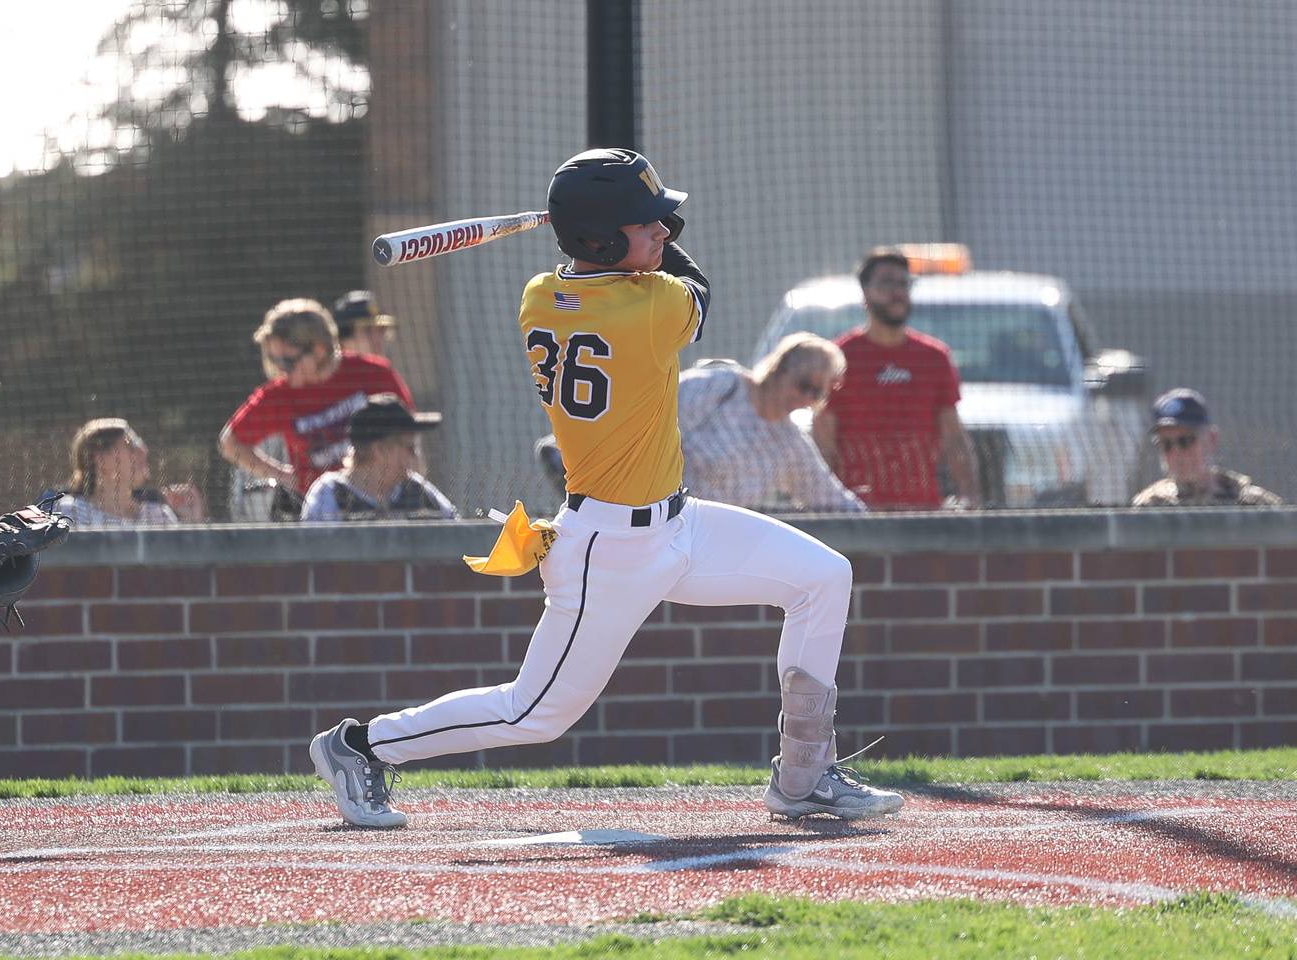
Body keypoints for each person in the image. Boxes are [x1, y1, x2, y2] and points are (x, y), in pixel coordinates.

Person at [308, 147, 903, 829]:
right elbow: (694, 281)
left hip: (682, 525)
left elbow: (633, 266)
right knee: (533, 714)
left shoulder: (540, 297)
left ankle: (805, 775)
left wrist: (622, 221)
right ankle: (361, 746)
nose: (663, 233)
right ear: (598, 238)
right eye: (646, 224)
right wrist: (636, 233)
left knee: (824, 577)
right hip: (608, 549)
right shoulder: (649, 309)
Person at [535, 334, 866, 513]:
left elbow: (827, 496)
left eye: (818, 393)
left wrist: (884, 525)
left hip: (711, 547)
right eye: (804, 384)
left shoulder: (790, 441)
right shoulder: (721, 388)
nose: (806, 397)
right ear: (778, 368)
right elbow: (640, 415)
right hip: (649, 517)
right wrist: (575, 452)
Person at [813, 247, 980, 510]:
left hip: (922, 515)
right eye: (886, 283)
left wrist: (970, 496)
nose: (897, 292)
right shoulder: (839, 358)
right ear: (865, 293)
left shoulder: (933, 357)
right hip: (858, 514)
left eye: (904, 283)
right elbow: (823, 442)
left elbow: (953, 437)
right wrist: (829, 505)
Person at [219, 298, 414, 514]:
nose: (281, 370)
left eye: (288, 361)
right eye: (274, 361)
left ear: (320, 350)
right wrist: (284, 476)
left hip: (382, 502)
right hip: (320, 511)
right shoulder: (279, 395)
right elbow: (231, 443)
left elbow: (410, 433)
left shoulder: (373, 374)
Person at [301, 393, 456, 521]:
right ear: (381, 450)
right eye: (410, 448)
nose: (416, 456)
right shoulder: (330, 494)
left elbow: (460, 536)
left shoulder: (420, 491)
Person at [1131, 388, 1282, 507]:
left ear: (1211, 439)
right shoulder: (1149, 507)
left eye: (1185, 441)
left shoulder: (1253, 504)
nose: (1176, 452)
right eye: (1166, 444)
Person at [57, 419, 206, 527]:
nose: (143, 450)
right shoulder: (70, 513)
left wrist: (191, 523)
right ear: (101, 460)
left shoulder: (159, 515)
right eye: (130, 446)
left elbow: (181, 569)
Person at [332, 290, 398, 359]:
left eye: (381, 330)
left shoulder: (384, 369)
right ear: (342, 338)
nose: (378, 338)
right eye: (367, 330)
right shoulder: (327, 369)